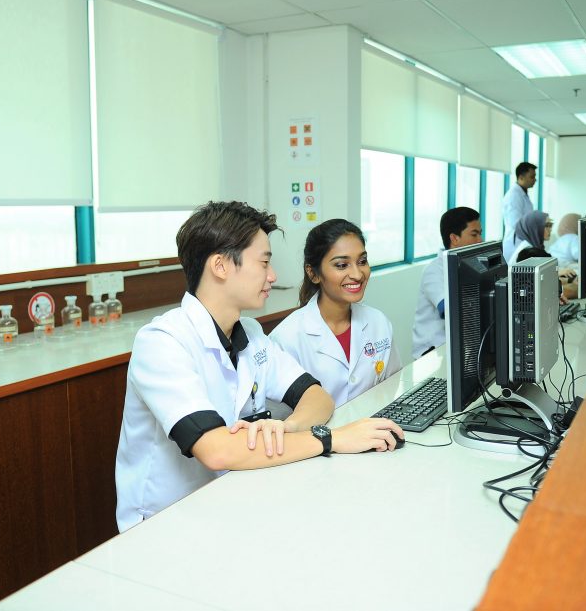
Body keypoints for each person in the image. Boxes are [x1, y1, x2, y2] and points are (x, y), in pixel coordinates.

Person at [115, 202, 403, 532]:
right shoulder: (162, 342)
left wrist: (289, 428)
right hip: (166, 522)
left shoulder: (251, 334)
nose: (273, 276)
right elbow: (216, 450)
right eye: (264, 263)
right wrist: (330, 439)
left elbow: (317, 397)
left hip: (234, 499)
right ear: (220, 266)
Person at [270, 219, 401, 407]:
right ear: (313, 273)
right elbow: (282, 418)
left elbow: (393, 387)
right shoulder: (286, 339)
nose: (357, 274)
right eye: (341, 265)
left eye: (362, 261)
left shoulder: (378, 322)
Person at [411, 207, 482, 360]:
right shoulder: (434, 271)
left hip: (458, 349)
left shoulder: (468, 267)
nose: (480, 240)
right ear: (454, 238)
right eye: (474, 234)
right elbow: (450, 310)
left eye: (480, 234)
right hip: (433, 353)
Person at [508, 211, 577, 297]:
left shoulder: (535, 246)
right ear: (534, 228)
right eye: (547, 225)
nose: (550, 229)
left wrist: (568, 279)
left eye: (551, 225)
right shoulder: (526, 252)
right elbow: (536, 285)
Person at [501, 161, 536, 261]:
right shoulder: (514, 195)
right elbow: (515, 223)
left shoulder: (522, 194)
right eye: (532, 177)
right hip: (515, 243)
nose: (535, 179)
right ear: (521, 177)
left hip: (522, 241)